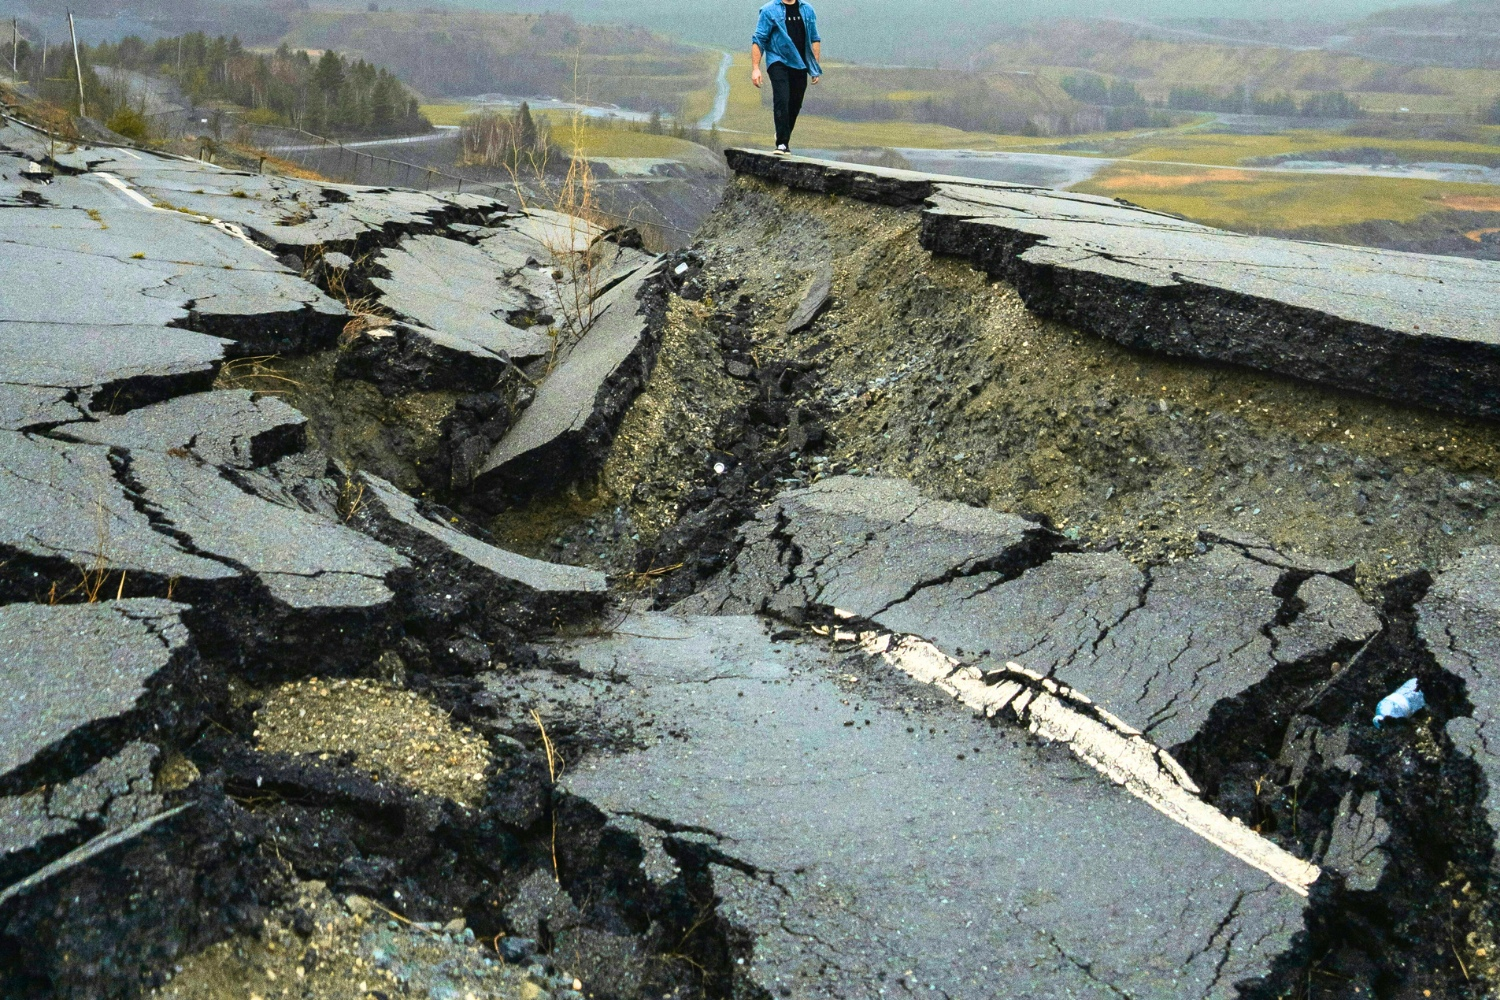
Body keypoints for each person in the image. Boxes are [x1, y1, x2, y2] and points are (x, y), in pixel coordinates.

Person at [750, 0, 823, 155]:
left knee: (795, 104)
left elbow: (814, 38)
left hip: (800, 63)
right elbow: (759, 39)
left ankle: (782, 132)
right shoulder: (768, 10)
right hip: (778, 61)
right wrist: (756, 68)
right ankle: (782, 144)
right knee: (782, 98)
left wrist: (814, 66)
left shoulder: (807, 10)